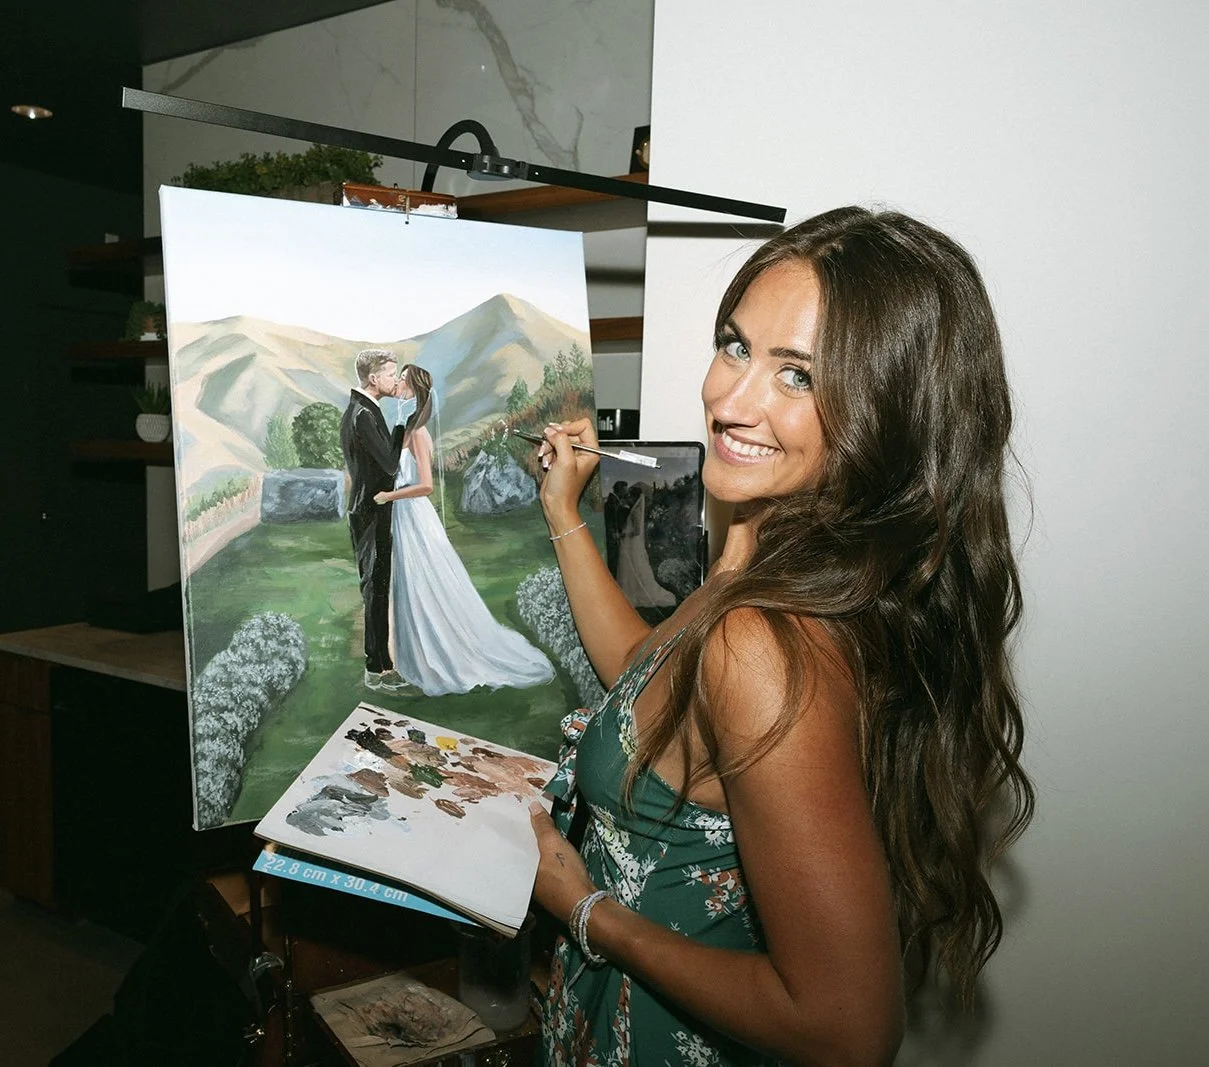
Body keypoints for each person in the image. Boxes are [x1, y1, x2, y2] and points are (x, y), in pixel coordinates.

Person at [527, 207, 1034, 1066]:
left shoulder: (761, 640)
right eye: (736, 346)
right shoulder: (767, 563)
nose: (728, 401)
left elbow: (847, 1029)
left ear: (887, 413)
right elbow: (648, 683)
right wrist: (562, 514)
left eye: (796, 375)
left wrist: (586, 911)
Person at [372, 364, 556, 697]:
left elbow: (426, 486)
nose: (397, 382)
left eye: (403, 379)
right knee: (409, 581)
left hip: (414, 514)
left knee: (424, 579)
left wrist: (389, 496)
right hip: (403, 515)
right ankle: (415, 657)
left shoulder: (419, 433)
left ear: (414, 388)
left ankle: (443, 655)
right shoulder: (406, 426)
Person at [339, 348, 412, 693]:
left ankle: (382, 665)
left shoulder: (362, 409)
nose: (395, 380)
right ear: (373, 378)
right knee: (375, 588)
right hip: (370, 512)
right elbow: (390, 465)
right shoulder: (364, 415)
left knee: (377, 587)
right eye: (390, 374)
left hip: (369, 509)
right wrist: (401, 425)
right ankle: (376, 668)